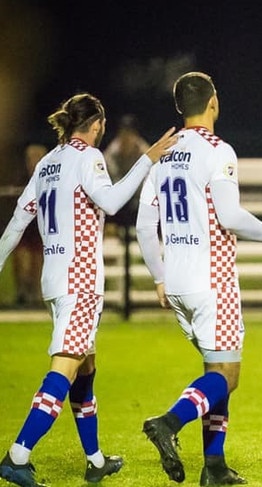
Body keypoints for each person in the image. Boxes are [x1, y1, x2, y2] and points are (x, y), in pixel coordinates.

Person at [0, 93, 177, 487]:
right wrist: (148, 159)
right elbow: (111, 202)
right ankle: (18, 455)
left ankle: (95, 461)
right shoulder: (89, 157)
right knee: (64, 368)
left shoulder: (47, 162)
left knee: (86, 369)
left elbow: (17, 221)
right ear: (96, 124)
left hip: (55, 279)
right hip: (79, 281)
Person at [135, 71, 262, 486]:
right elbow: (230, 216)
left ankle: (215, 467)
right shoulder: (217, 150)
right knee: (227, 377)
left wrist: (158, 277)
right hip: (213, 279)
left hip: (178, 282)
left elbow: (143, 225)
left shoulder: (163, 154)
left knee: (215, 375)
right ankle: (169, 422)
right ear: (213, 102)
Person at [12, 143, 47, 307]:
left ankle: (39, 298)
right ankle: (22, 294)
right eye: (30, 159)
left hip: (44, 231)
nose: (33, 162)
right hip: (26, 231)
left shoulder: (51, 179)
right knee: (22, 259)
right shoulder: (20, 181)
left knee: (40, 262)